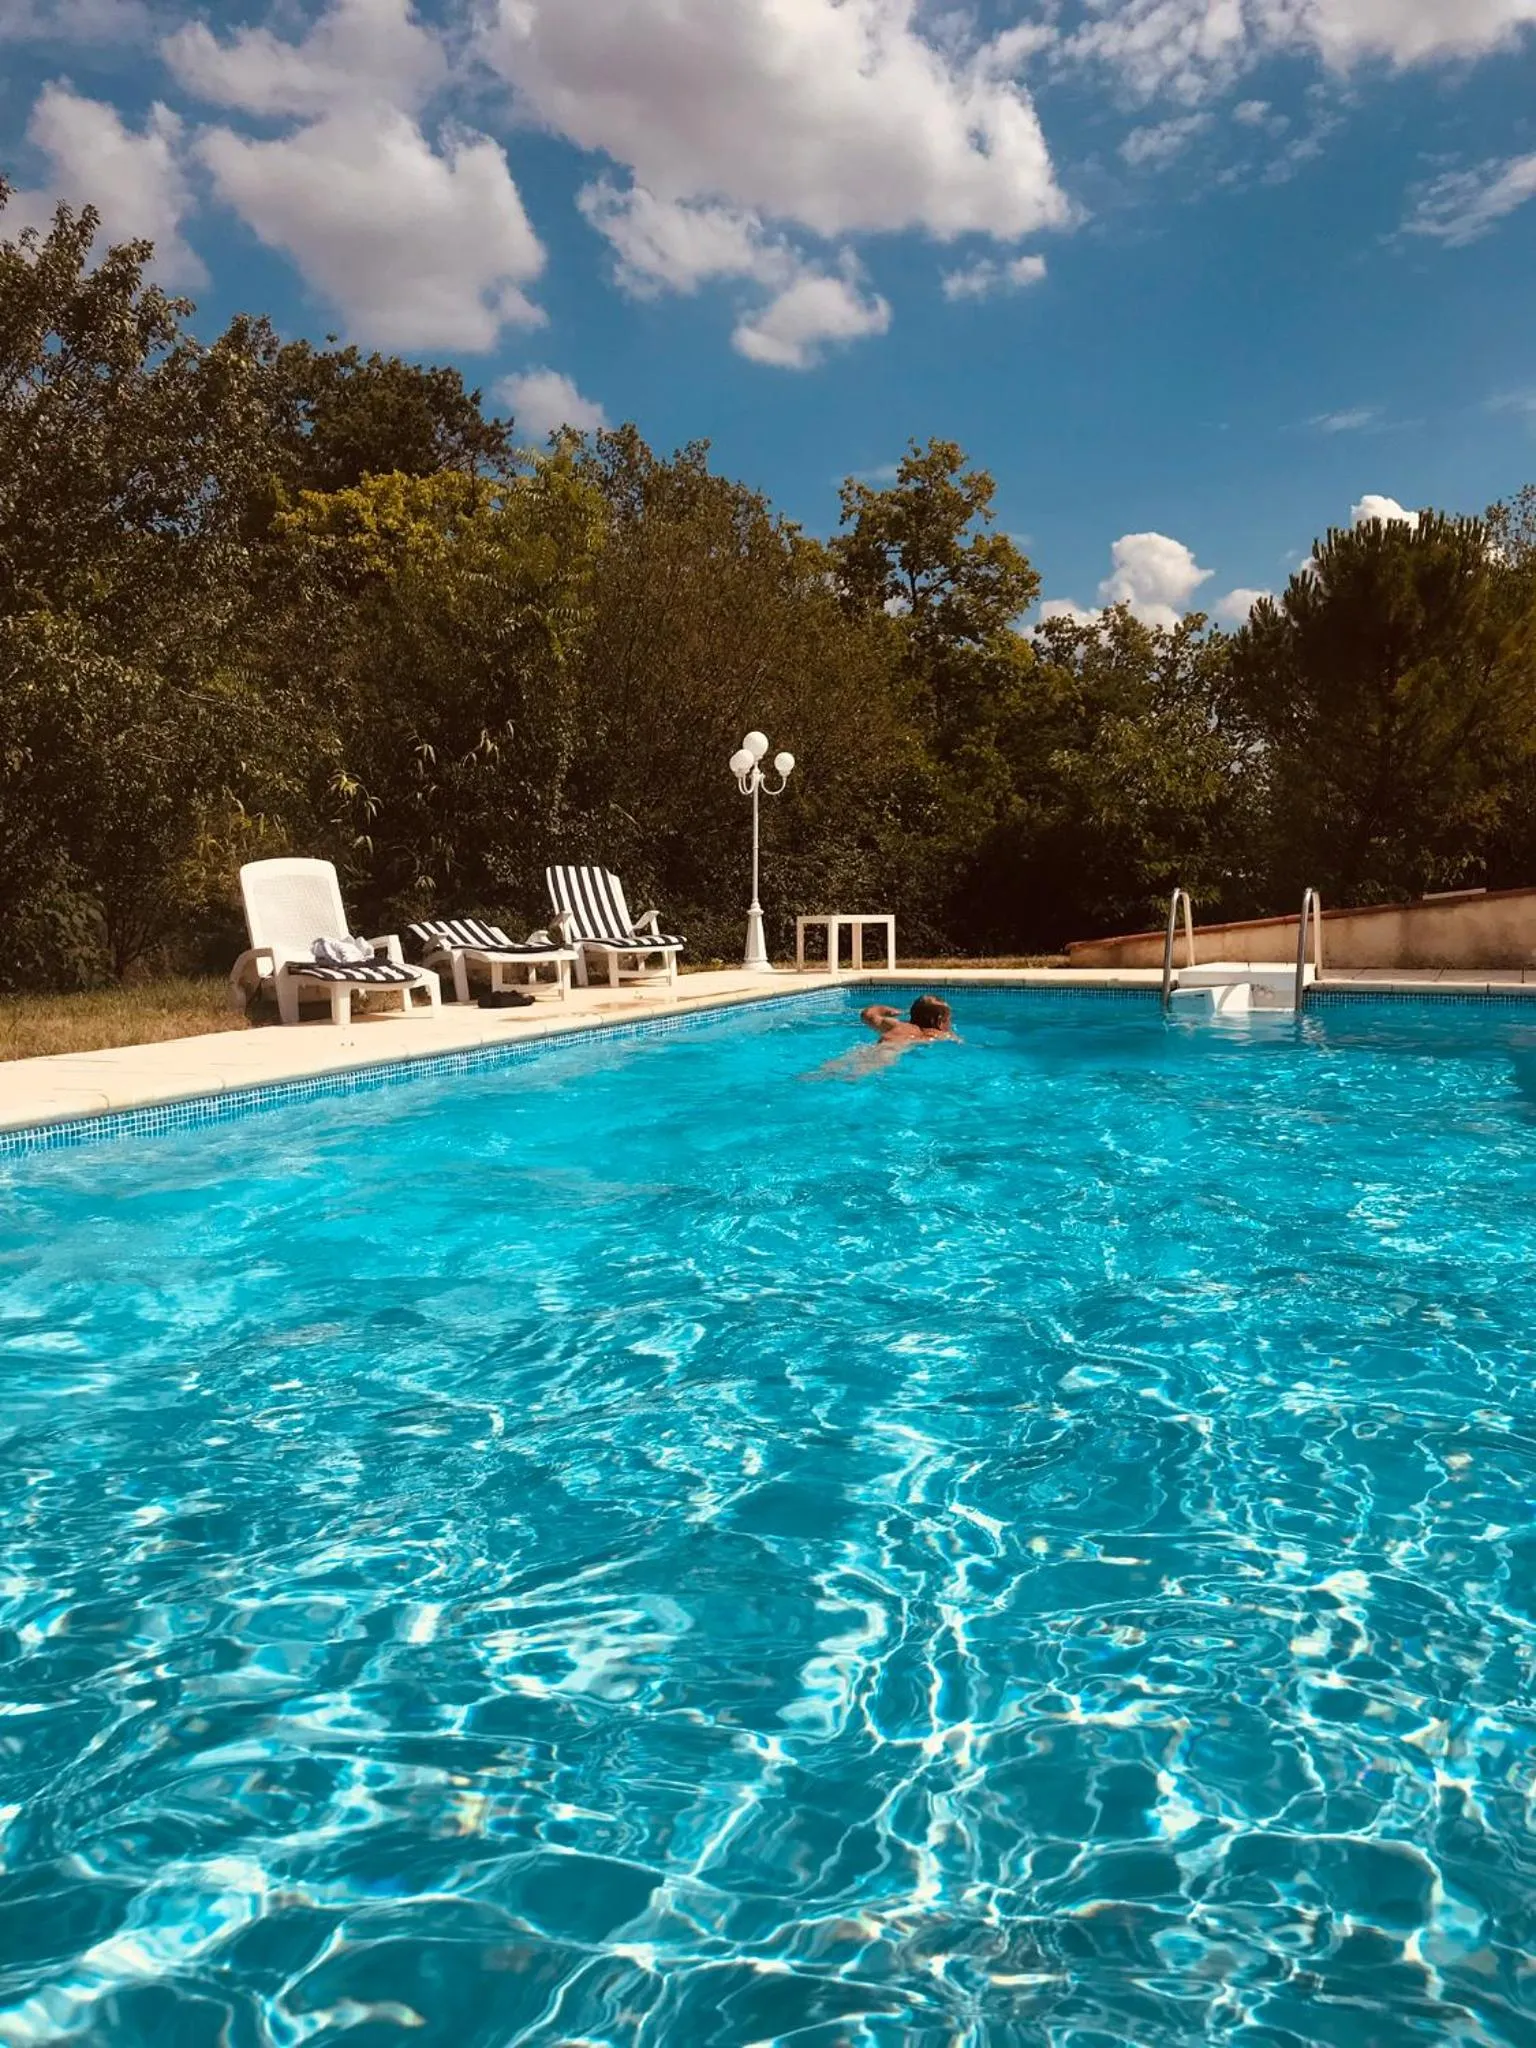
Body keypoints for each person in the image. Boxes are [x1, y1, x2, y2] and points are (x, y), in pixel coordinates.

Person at [860, 995, 960, 1055]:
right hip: (890, 1052)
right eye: (948, 1019)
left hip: (868, 1049)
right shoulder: (938, 1034)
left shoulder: (896, 1025)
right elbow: (959, 1044)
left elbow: (867, 1014)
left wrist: (893, 1011)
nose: (950, 1023)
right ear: (940, 1021)